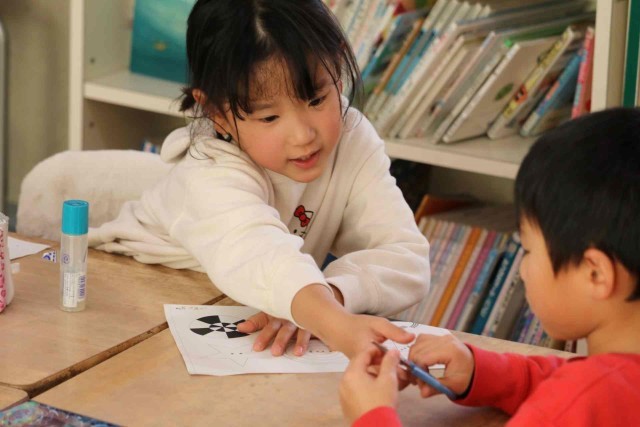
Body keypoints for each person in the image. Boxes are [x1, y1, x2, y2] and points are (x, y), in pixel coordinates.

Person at [88, 0, 430, 359]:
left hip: (231, 310)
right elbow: (257, 251)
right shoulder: (208, 170)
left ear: (338, 68)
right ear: (216, 113)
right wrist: (328, 317)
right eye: (269, 118)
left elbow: (406, 256)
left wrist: (332, 296)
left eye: (316, 99)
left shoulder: (352, 136)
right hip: (132, 300)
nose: (303, 135)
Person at [340, 107, 640, 425]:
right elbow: (577, 388)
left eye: (528, 250)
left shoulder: (582, 399)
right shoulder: (608, 388)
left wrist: (371, 414)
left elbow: (573, 399)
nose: (522, 270)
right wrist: (482, 372)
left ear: (595, 273)